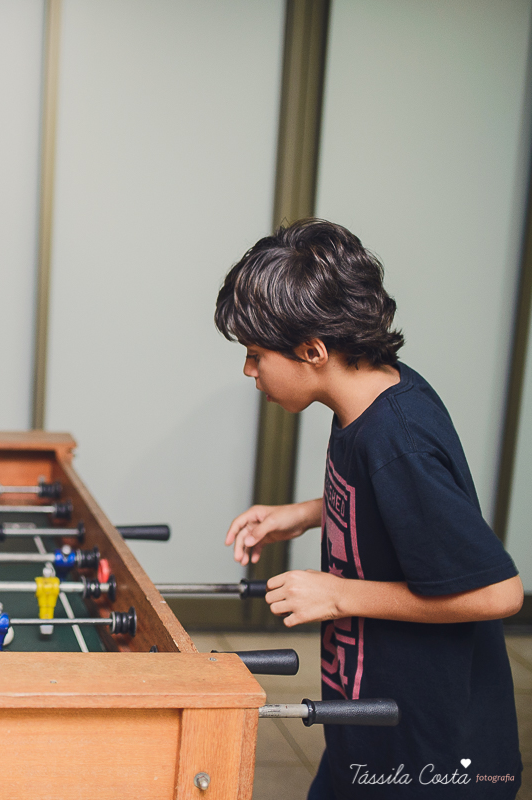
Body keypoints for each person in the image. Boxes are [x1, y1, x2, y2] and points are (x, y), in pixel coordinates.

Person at [215, 219, 522, 799]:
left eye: (257, 355)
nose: (250, 371)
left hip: (433, 758)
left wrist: (338, 594)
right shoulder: (368, 399)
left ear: (312, 350)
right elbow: (400, 514)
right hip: (367, 724)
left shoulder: (396, 439)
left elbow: (499, 592)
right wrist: (306, 513)